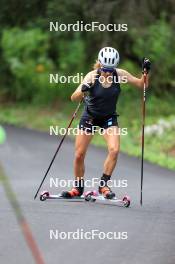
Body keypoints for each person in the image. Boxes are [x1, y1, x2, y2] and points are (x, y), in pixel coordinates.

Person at [62, 47, 151, 199]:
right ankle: (77, 188)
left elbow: (142, 85)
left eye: (111, 70)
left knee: (114, 150)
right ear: (100, 65)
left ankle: (103, 185)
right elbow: (73, 98)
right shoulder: (92, 76)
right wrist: (83, 89)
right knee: (79, 155)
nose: (108, 73)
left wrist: (145, 73)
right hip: (89, 117)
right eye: (105, 69)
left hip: (108, 119)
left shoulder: (120, 74)